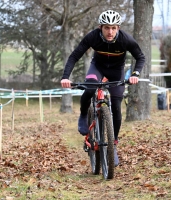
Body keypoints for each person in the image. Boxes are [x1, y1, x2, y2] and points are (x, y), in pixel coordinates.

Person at [60, 10, 145, 167]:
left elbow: (140, 57)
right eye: (106, 28)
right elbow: (74, 56)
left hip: (116, 71)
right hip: (97, 68)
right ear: (100, 27)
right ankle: (84, 114)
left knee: (117, 107)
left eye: (113, 28)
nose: (110, 32)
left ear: (118, 28)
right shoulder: (92, 37)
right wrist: (65, 77)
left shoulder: (126, 40)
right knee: (90, 88)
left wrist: (135, 74)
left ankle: (113, 145)